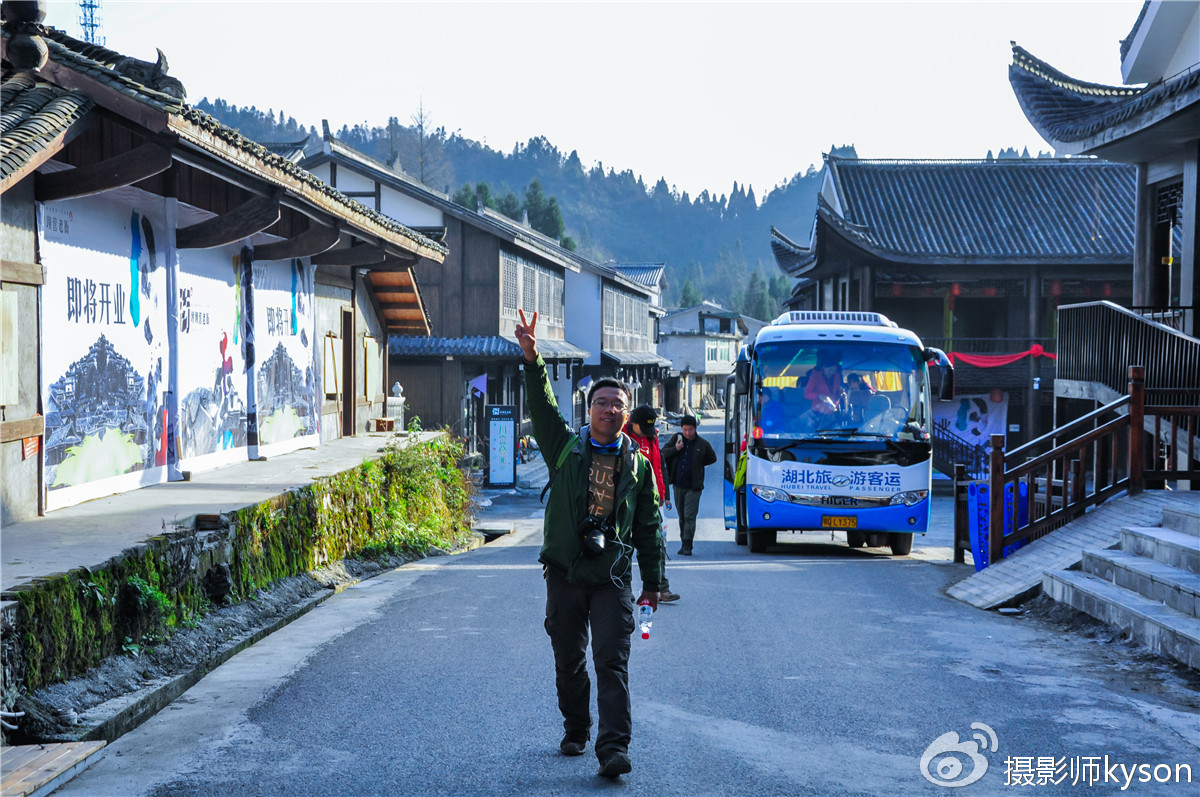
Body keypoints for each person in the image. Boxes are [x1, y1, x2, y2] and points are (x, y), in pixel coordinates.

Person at [514, 309, 664, 780]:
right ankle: (576, 725)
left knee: (612, 663)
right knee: (569, 660)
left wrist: (654, 583)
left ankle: (614, 749)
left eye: (617, 403)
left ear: (626, 411)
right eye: (601, 402)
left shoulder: (638, 466)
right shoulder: (563, 446)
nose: (609, 409)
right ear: (589, 409)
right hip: (564, 572)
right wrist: (532, 356)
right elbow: (540, 405)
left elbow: (650, 526)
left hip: (612, 578)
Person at [623, 405, 680, 603]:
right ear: (633, 422)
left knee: (657, 543)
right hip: (627, 500)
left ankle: (661, 587)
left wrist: (663, 494)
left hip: (652, 499)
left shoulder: (651, 437)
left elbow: (658, 466)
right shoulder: (620, 436)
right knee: (625, 545)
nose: (647, 434)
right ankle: (625, 588)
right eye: (643, 428)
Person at [661, 415, 717, 556]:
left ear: (695, 429)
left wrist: (697, 466)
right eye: (685, 429)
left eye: (690, 429)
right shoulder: (676, 439)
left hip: (694, 487)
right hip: (678, 486)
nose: (687, 433)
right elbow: (662, 454)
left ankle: (687, 545)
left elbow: (712, 458)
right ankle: (683, 542)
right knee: (681, 517)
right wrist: (676, 449)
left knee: (689, 516)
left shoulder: (703, 444)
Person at [804, 351, 846, 417]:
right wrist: (819, 396)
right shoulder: (815, 376)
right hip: (818, 412)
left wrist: (842, 393)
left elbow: (839, 389)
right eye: (829, 370)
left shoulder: (837, 376)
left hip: (833, 410)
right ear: (823, 368)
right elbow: (807, 394)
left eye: (833, 370)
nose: (831, 372)